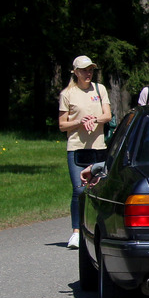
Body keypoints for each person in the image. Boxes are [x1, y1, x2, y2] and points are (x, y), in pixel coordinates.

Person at [58, 56, 111, 249]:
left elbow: (107, 116)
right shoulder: (67, 94)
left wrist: (94, 119)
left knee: (98, 189)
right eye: (84, 70)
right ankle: (76, 231)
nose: (88, 73)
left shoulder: (100, 89)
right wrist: (80, 122)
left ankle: (99, 229)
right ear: (75, 72)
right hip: (77, 148)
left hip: (98, 147)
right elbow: (62, 125)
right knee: (79, 190)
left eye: (90, 70)